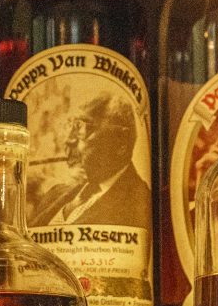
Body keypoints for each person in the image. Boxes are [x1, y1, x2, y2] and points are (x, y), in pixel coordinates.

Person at [30, 93, 149, 226]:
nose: (70, 140)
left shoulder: (138, 204)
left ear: (121, 143)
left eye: (83, 128)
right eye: (73, 126)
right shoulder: (55, 194)